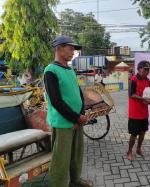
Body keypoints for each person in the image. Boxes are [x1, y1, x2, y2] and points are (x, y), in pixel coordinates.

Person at [44, 35, 93, 187]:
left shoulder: (70, 69)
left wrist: (82, 113)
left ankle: (75, 180)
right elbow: (56, 101)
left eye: (74, 49)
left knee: (76, 154)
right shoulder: (51, 71)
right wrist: (75, 117)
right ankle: (57, 184)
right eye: (70, 48)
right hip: (63, 122)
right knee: (61, 158)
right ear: (59, 48)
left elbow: (77, 92)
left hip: (77, 119)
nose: (73, 52)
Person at [127, 60, 150, 161]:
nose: (147, 71)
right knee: (134, 134)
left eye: (148, 69)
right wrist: (143, 99)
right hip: (135, 113)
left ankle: (138, 149)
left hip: (144, 112)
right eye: (145, 69)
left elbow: (149, 94)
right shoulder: (133, 79)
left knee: (143, 132)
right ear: (139, 69)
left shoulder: (148, 81)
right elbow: (131, 94)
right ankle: (129, 151)